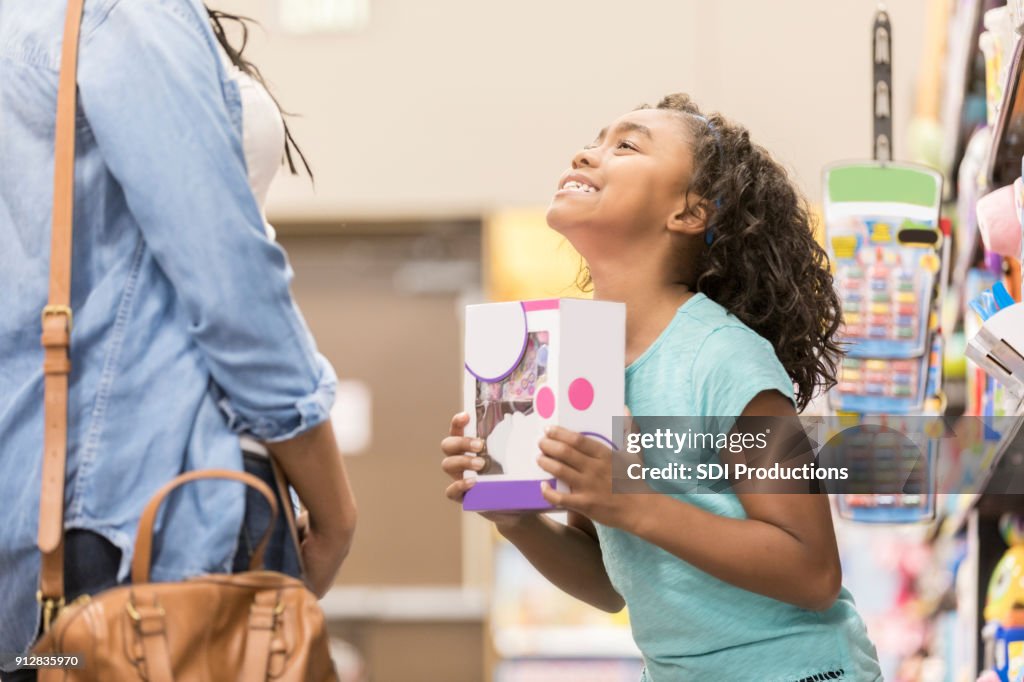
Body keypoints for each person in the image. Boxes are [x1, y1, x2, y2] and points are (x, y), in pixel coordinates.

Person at [441, 94, 882, 680]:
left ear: (690, 212)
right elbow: (608, 584)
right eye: (594, 141)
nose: (585, 154)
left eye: (625, 145)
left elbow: (814, 572)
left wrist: (632, 501)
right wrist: (517, 519)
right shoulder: (580, 361)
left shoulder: (721, 356)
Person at [0, 1, 357, 679]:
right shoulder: (124, 12)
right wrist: (335, 511)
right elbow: (229, 280)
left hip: (38, 522)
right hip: (147, 506)